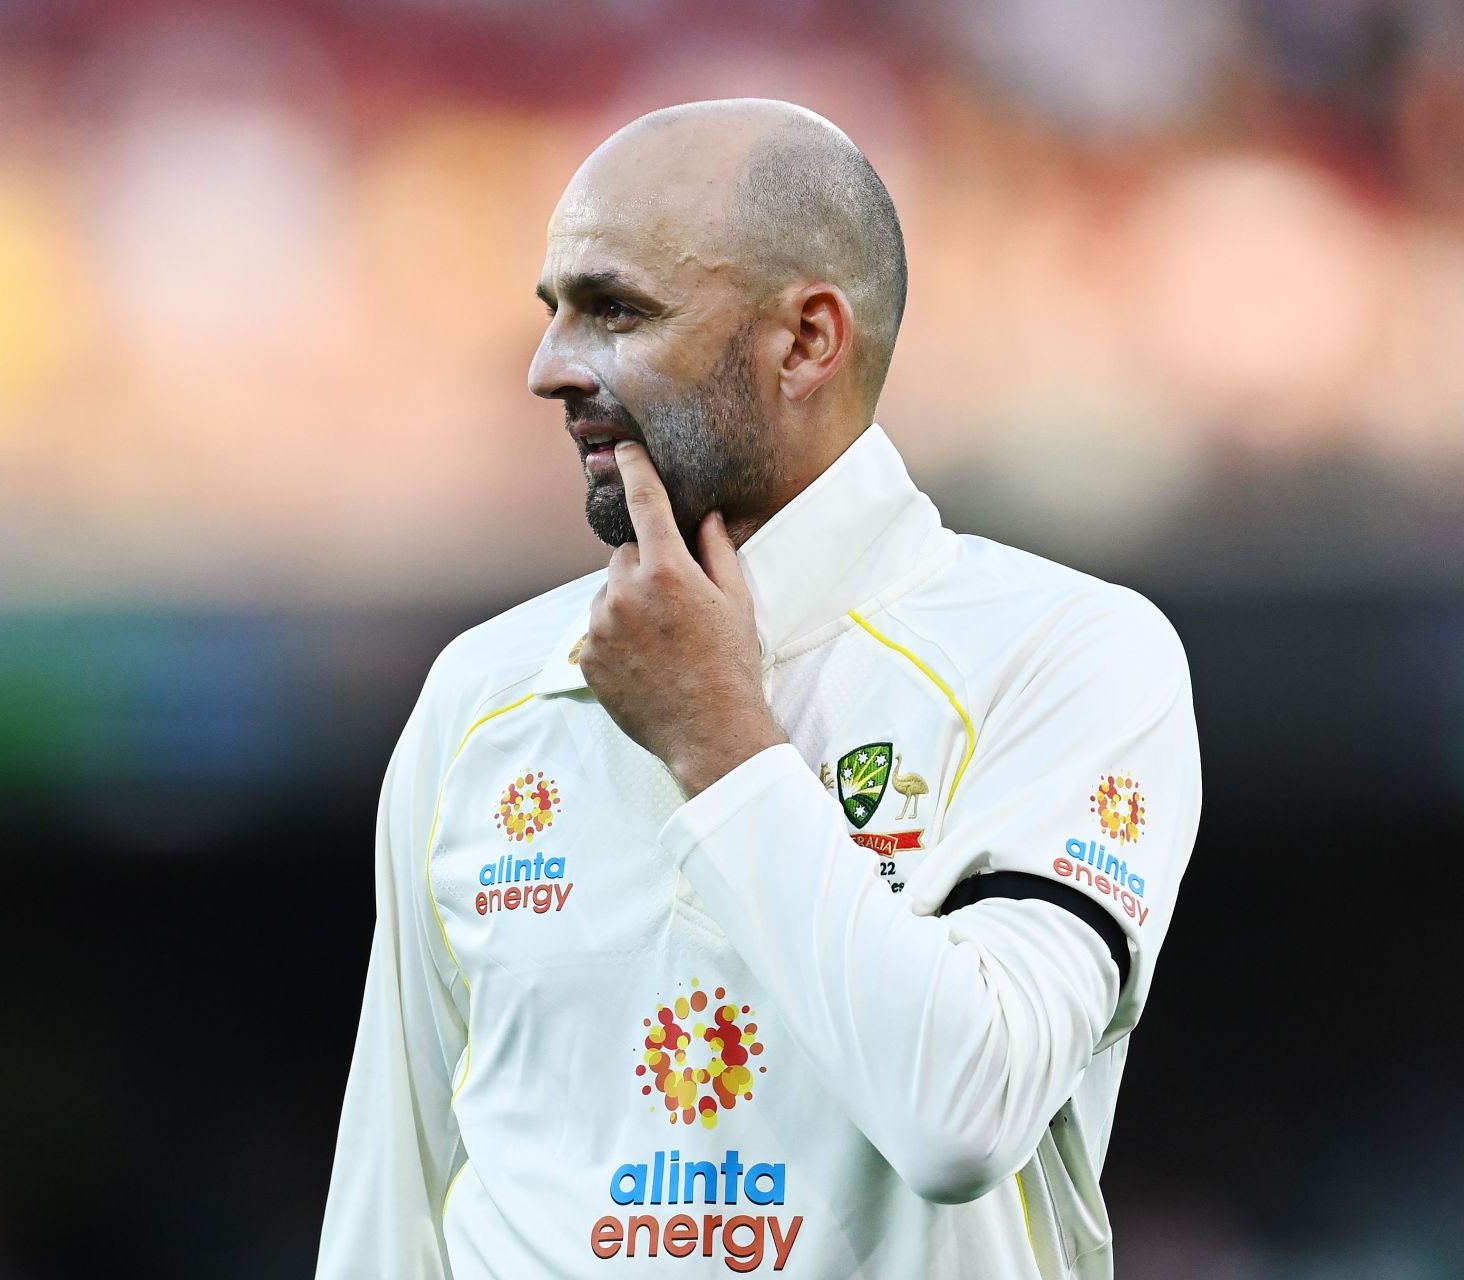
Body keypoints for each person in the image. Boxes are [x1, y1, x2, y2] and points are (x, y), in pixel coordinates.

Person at [317, 98, 1200, 1279]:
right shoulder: (483, 695)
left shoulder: (1069, 654)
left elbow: (963, 1112)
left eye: (614, 309)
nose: (547, 368)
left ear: (806, 342)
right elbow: (391, 1213)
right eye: (554, 312)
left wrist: (721, 735)